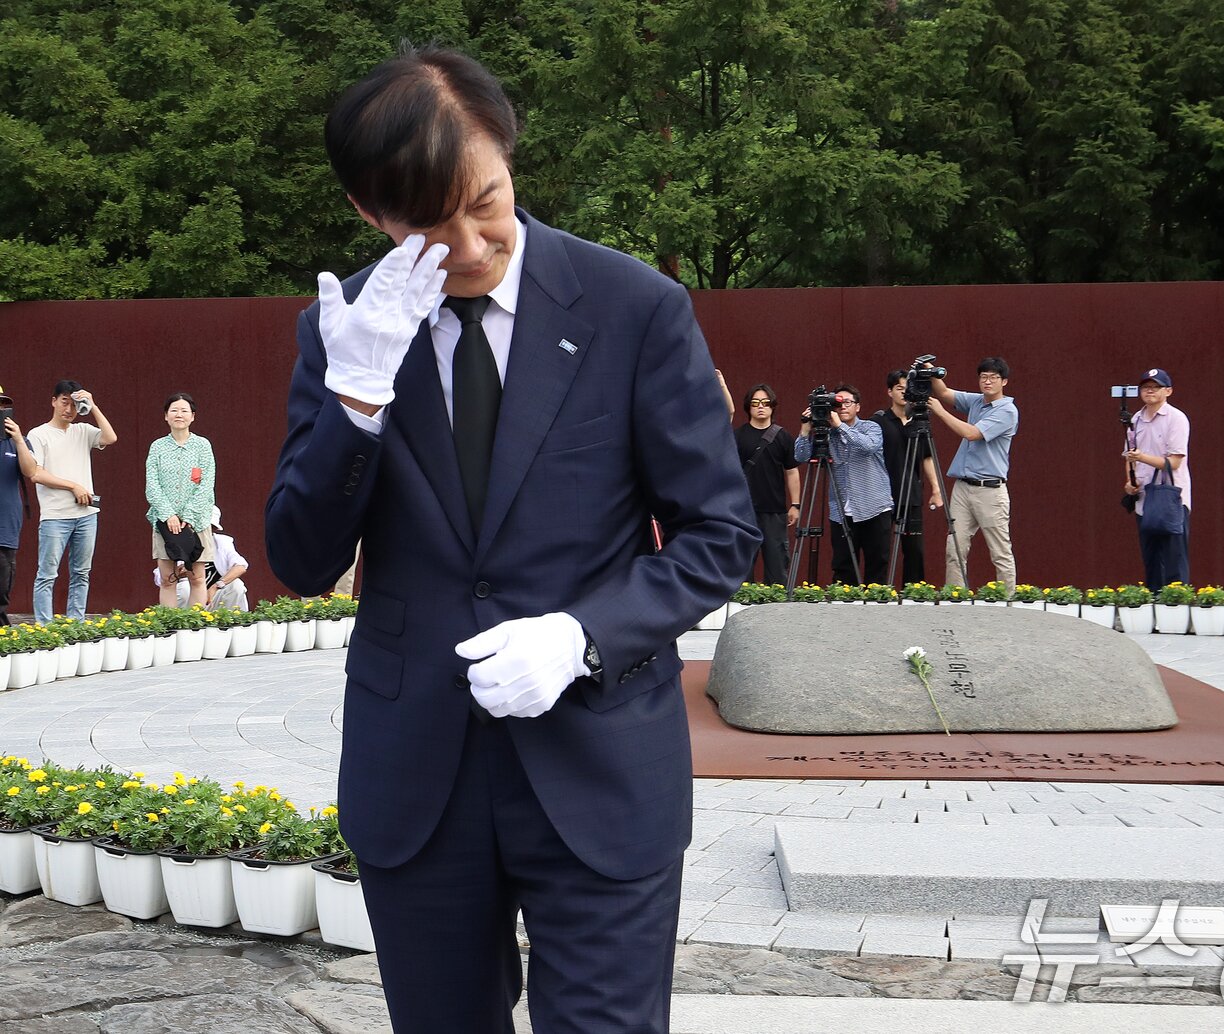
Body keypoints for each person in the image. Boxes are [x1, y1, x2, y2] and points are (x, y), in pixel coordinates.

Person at [263, 45, 757, 1034]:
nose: (470, 244)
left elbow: (716, 532)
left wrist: (579, 634)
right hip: (419, 778)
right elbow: (301, 556)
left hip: (600, 758)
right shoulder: (348, 328)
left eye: (483, 200)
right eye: (427, 225)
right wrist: (356, 400)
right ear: (371, 214)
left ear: (506, 156)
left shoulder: (631, 307)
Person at [26, 380, 118, 624]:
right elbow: (37, 473)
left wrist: (93, 406)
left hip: (86, 515)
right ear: (53, 401)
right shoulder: (38, 434)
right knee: (47, 574)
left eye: (75, 405)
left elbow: (110, 437)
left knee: (81, 574)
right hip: (55, 516)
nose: (69, 409)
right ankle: (44, 627)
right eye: (64, 402)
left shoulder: (82, 431)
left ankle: (75, 625)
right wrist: (74, 485)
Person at [929, 357, 1019, 589]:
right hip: (963, 486)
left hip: (990, 489)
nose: (987, 382)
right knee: (955, 547)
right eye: (983, 377)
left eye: (993, 377)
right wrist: (930, 372)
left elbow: (972, 433)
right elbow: (944, 392)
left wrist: (940, 413)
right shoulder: (977, 402)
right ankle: (955, 597)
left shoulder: (1007, 411)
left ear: (1004, 382)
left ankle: (1008, 602)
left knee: (999, 551)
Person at [794, 383, 893, 585]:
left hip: (874, 507)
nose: (843, 407)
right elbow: (801, 456)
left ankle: (876, 610)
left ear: (858, 406)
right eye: (837, 403)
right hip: (841, 511)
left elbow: (868, 446)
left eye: (847, 402)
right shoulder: (829, 434)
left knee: (877, 565)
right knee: (843, 568)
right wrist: (805, 431)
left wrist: (840, 426)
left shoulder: (870, 427)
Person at [870, 370, 945, 586]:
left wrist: (936, 489)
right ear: (890, 392)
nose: (904, 393)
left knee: (914, 549)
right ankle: (878, 591)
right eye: (899, 389)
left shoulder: (918, 421)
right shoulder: (879, 421)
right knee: (881, 549)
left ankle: (913, 592)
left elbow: (927, 457)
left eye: (907, 389)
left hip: (911, 492)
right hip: (882, 494)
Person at [146, 393, 216, 609]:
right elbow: (152, 485)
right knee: (168, 579)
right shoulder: (157, 447)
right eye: (174, 410)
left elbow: (206, 484)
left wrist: (188, 516)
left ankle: (195, 626)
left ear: (193, 416)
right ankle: (170, 625)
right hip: (164, 522)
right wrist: (169, 515)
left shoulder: (202, 446)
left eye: (184, 410)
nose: (179, 415)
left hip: (197, 521)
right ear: (166, 416)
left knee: (197, 578)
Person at [1124, 367, 1191, 590]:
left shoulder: (1176, 418)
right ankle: (1153, 609)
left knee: (1174, 559)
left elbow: (1174, 462)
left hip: (1171, 499)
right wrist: (1130, 483)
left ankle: (1177, 608)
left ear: (1168, 391)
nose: (1149, 391)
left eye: (1155, 387)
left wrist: (1142, 456)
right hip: (1145, 500)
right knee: (1151, 560)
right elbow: (1129, 457)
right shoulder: (1136, 419)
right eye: (1145, 387)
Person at [734, 384, 799, 584]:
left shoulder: (783, 436)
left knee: (777, 567)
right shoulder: (738, 436)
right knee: (742, 568)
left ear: (772, 406)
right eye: (755, 403)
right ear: (748, 407)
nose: (760, 407)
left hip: (775, 511)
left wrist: (795, 505)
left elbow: (792, 471)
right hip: (743, 511)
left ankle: (776, 613)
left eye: (765, 402)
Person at [151, 506, 249, 610]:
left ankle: (231, 622)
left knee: (236, 585)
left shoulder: (222, 542)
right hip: (188, 600)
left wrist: (216, 586)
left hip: (214, 598)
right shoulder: (180, 543)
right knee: (184, 589)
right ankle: (182, 621)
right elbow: (160, 577)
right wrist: (177, 574)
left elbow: (241, 566)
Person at [1, 390, 40, 625]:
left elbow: (30, 471)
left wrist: (17, 440)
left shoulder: (18, 440)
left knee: (1, 589)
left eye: (3, 406)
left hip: (5, 526)